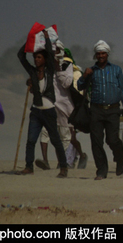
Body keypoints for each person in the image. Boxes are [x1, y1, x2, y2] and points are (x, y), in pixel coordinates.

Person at [77, 40, 123, 180]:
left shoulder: (116, 70)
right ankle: (101, 170)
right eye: (98, 53)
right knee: (96, 142)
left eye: (103, 53)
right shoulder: (91, 71)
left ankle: (120, 159)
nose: (101, 56)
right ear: (95, 55)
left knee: (112, 139)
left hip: (113, 110)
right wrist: (84, 76)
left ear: (107, 54)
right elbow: (79, 86)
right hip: (96, 110)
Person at [17, 32, 69, 177]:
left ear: (45, 59)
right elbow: (21, 56)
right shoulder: (32, 71)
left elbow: (51, 55)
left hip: (49, 111)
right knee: (31, 140)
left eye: (39, 57)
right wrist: (28, 42)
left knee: (55, 140)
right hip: (36, 111)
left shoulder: (49, 70)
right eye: (35, 57)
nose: (36, 59)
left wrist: (46, 39)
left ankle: (63, 167)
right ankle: (29, 166)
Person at [35, 40, 75, 170]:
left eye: (57, 50)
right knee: (45, 132)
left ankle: (61, 162)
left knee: (64, 135)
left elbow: (67, 84)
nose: (55, 52)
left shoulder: (67, 65)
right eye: (53, 50)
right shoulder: (46, 66)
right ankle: (45, 160)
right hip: (49, 103)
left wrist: (58, 69)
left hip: (64, 105)